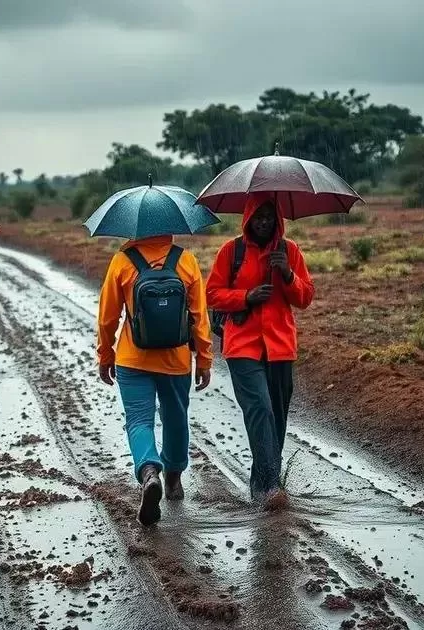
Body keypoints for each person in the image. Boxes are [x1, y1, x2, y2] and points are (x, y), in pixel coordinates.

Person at [97, 234, 212, 526]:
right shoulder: (185, 261)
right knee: (175, 417)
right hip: (176, 361)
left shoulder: (122, 261)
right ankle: (173, 478)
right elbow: (199, 315)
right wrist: (204, 358)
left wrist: (105, 354)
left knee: (138, 421)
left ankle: (149, 471)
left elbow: (108, 317)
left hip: (132, 359)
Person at [206, 196, 314, 504]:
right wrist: (247, 296)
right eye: (258, 216)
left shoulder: (290, 251)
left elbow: (305, 297)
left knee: (277, 417)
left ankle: (262, 483)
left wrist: (288, 275)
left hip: (280, 346)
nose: (263, 222)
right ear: (248, 218)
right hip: (242, 344)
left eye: (269, 217)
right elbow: (212, 294)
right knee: (261, 410)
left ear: (278, 220)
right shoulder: (232, 251)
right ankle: (270, 487)